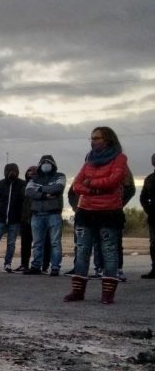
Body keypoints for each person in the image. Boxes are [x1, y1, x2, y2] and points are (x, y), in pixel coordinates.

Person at [64, 126, 129, 304]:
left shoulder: (119, 158)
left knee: (109, 251)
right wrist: (95, 189)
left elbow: (113, 181)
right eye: (91, 138)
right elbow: (76, 185)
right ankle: (78, 291)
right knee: (82, 250)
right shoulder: (89, 160)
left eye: (96, 138)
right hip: (86, 211)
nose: (92, 141)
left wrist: (90, 183)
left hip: (108, 212)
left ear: (107, 140)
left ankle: (107, 294)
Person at [24, 155, 65, 276]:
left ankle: (55, 267)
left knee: (55, 242)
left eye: (48, 162)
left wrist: (39, 189)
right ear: (40, 165)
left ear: (53, 164)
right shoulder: (34, 178)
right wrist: (44, 194)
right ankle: (36, 266)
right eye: (44, 162)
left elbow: (58, 188)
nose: (46, 164)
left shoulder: (60, 176)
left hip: (54, 214)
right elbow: (28, 192)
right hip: (37, 214)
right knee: (37, 243)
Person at [0, 162, 25, 272]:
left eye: (15, 171)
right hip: (0, 219)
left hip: (15, 219)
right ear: (5, 172)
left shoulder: (22, 184)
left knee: (11, 243)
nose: (12, 173)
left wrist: (19, 214)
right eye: (10, 171)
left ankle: (7, 263)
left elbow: (24, 201)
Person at [141, 153, 155, 279]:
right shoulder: (150, 179)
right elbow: (143, 198)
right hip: (153, 216)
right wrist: (149, 210)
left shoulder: (150, 179)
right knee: (153, 244)